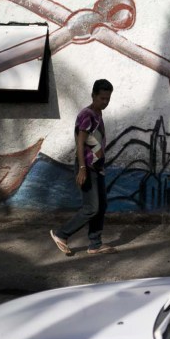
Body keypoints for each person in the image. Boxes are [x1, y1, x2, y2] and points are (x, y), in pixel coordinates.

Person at [50, 79, 117, 255]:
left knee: (101, 206)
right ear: (93, 95)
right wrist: (82, 168)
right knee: (91, 208)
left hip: (97, 168)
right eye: (102, 98)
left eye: (108, 99)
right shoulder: (87, 114)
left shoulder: (98, 114)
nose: (105, 102)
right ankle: (61, 234)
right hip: (86, 167)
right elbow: (80, 142)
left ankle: (95, 244)